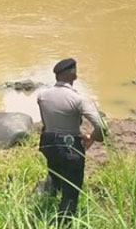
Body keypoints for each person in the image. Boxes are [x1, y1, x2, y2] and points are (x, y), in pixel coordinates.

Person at [36, 58, 106, 222]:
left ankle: (48, 209)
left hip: (48, 144)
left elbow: (46, 123)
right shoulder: (78, 99)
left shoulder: (42, 95)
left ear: (56, 76)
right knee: (71, 191)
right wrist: (92, 138)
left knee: (55, 174)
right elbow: (102, 127)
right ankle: (64, 222)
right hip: (70, 146)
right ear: (73, 75)